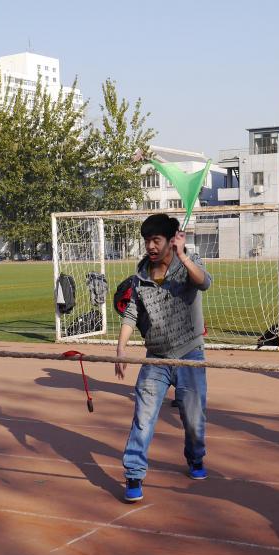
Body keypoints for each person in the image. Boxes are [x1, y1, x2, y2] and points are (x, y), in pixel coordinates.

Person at [115, 213, 212, 502]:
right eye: (147, 241)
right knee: (143, 418)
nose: (151, 247)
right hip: (155, 358)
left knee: (193, 419)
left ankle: (195, 457)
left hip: (189, 354)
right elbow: (132, 313)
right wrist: (121, 349)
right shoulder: (140, 276)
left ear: (171, 241)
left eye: (156, 240)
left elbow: (204, 283)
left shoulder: (189, 264)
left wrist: (183, 257)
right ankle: (134, 473)